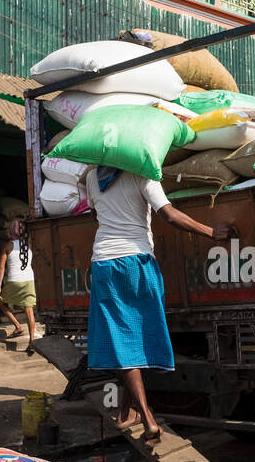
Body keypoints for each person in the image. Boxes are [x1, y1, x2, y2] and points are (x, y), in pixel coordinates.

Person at [84, 166, 232, 444]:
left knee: (124, 340)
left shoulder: (92, 177)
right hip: (138, 261)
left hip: (104, 263)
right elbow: (169, 214)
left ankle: (126, 412)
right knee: (139, 337)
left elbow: (95, 214)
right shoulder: (142, 173)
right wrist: (211, 232)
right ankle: (147, 417)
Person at [0, 220, 38, 341]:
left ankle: (18, 326)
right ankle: (32, 341)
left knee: (1, 302)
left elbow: (1, 267)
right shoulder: (29, 244)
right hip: (29, 280)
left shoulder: (7, 246)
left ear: (10, 231)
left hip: (14, 281)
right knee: (29, 310)